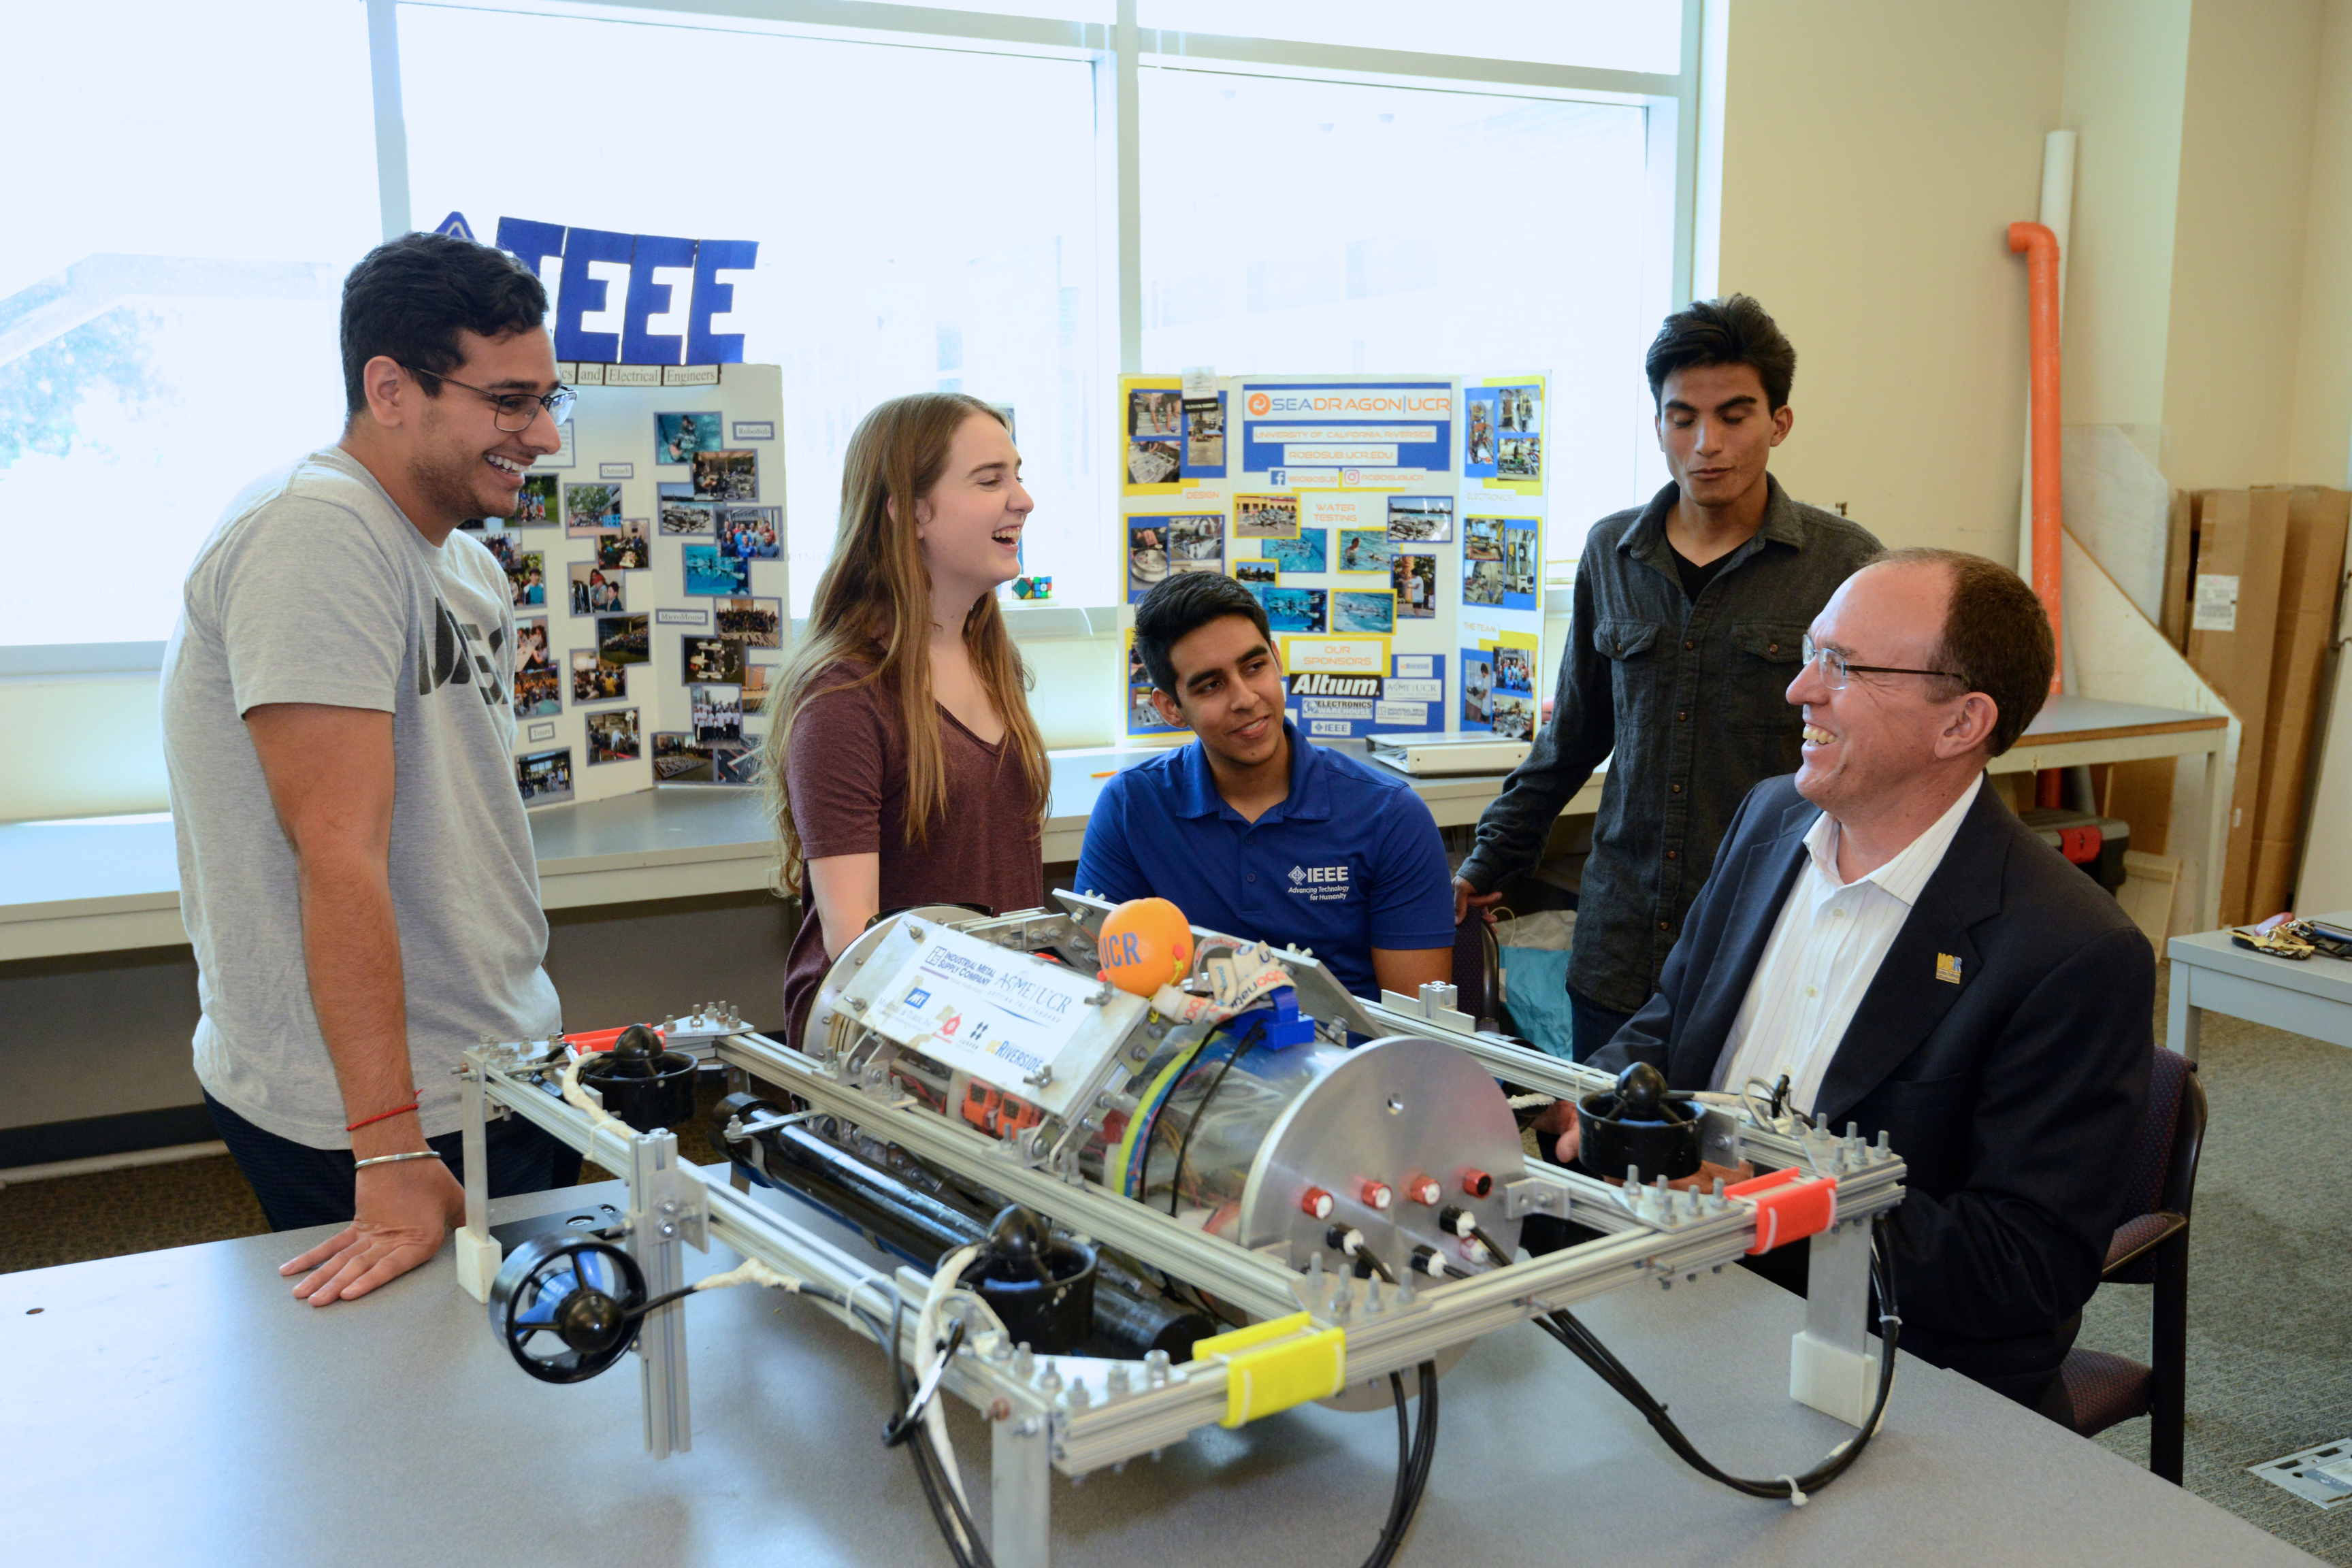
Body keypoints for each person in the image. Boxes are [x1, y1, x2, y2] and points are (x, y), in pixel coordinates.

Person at [1552, 550, 2151, 1416]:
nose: (1799, 688)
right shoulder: (1770, 818)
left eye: (1842, 665)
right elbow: (1676, 1017)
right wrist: (1598, 1098)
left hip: (1891, 1373)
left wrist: (1764, 1206)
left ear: (1960, 724)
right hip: (1679, 1290)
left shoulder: (2073, 951)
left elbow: (2024, 1268)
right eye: (1810, 652)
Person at [160, 229, 581, 1305]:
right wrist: (387, 1148)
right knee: (408, 1436)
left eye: (546, 400)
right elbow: (336, 854)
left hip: (493, 1066)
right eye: (509, 401)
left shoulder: (461, 561)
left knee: (527, 1399)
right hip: (376, 1109)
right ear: (389, 389)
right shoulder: (315, 534)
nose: (542, 436)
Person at [1455, 295, 1882, 1059]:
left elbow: (1873, 756)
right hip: (1620, 947)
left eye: (1735, 416)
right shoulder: (1611, 553)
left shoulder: (1844, 565)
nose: (1706, 443)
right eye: (1682, 418)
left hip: (1766, 937)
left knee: (1736, 1167)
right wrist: (1486, 862)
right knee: (1602, 1154)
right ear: (1657, 424)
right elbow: (1572, 739)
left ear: (1779, 424)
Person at [763, 394, 1051, 1045]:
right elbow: (858, 946)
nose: (1023, 499)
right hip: (884, 1040)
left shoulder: (991, 661)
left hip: (994, 1024)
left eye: (1018, 473)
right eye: (990, 479)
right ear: (910, 511)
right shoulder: (843, 697)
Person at [1075, 572, 1454, 1001]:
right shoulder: (1130, 808)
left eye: (1254, 667)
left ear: (1276, 660)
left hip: (1352, 1064)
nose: (1245, 698)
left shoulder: (1391, 816)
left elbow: (1418, 1031)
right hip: (1187, 1061)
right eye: (1211, 685)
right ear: (1170, 708)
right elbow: (1105, 992)